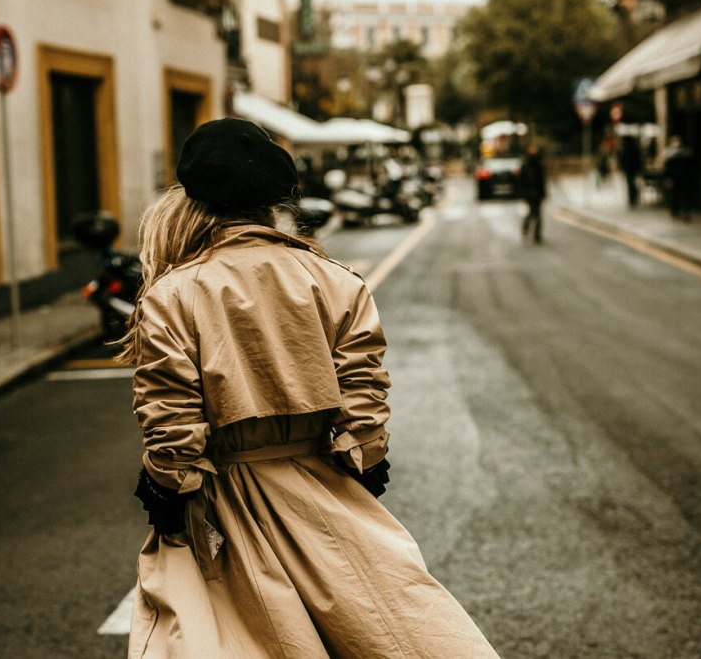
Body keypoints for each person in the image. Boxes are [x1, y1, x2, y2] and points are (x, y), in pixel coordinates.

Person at [121, 117, 500, 658]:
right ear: (274, 201)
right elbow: (364, 404)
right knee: (386, 628)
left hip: (225, 500)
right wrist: (361, 463)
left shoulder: (172, 295)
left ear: (194, 202)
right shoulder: (337, 281)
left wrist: (167, 489)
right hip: (321, 489)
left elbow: (172, 426)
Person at [519, 142, 547, 244]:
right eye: (531, 149)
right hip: (529, 193)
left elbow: (542, 180)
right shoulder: (525, 165)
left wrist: (544, 192)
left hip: (538, 193)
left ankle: (537, 235)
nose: (533, 151)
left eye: (534, 148)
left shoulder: (540, 164)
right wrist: (523, 194)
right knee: (532, 212)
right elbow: (521, 181)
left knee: (538, 214)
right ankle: (526, 225)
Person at [664, 135, 694, 221]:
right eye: (674, 141)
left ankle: (685, 211)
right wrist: (668, 179)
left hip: (684, 178)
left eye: (677, 140)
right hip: (675, 178)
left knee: (685, 195)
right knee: (675, 195)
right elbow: (668, 169)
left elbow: (690, 167)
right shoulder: (669, 154)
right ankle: (675, 211)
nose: (676, 143)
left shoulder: (686, 153)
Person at [618, 134, 642, 208]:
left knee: (630, 185)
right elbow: (638, 160)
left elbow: (622, 160)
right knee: (633, 185)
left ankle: (632, 199)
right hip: (633, 169)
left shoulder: (625, 149)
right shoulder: (634, 148)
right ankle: (634, 199)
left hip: (629, 169)